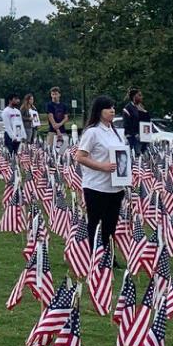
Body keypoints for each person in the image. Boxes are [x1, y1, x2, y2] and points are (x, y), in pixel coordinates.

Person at [74, 95, 129, 255]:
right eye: (108, 108)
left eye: (113, 107)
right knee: (95, 223)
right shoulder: (92, 132)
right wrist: (102, 166)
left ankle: (108, 254)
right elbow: (80, 156)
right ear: (99, 111)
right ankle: (95, 255)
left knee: (110, 224)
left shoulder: (115, 131)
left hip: (115, 187)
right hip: (96, 186)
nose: (112, 111)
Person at [123, 86, 149, 157]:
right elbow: (127, 124)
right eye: (139, 95)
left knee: (143, 158)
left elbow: (145, 122)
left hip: (143, 138)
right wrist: (135, 134)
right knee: (136, 157)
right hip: (133, 138)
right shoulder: (128, 108)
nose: (141, 97)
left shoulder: (141, 108)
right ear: (134, 97)